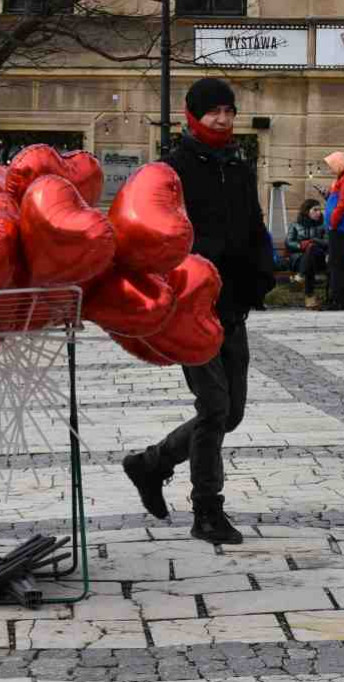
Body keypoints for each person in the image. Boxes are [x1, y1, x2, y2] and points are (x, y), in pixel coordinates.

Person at [122, 78, 275, 545]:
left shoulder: (240, 166)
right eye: (215, 112)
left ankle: (151, 464)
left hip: (233, 306)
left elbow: (253, 225)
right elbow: (157, 233)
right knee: (213, 407)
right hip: (191, 305)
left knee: (231, 414)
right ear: (193, 115)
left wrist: (260, 274)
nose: (224, 120)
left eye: (229, 112)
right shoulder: (172, 170)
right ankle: (208, 511)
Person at [285, 199, 327, 309]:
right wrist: (301, 245)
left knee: (312, 249)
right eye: (315, 210)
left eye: (320, 210)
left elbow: (327, 242)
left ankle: (300, 276)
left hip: (319, 258)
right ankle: (309, 299)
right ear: (307, 211)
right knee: (309, 261)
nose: (319, 212)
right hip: (298, 259)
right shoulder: (295, 225)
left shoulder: (323, 226)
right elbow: (289, 242)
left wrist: (313, 241)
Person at [324, 152, 344, 309]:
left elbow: (342, 204)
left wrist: (333, 221)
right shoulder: (339, 180)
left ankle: (337, 299)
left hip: (339, 228)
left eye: (331, 165)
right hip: (336, 228)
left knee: (336, 264)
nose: (330, 169)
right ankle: (336, 297)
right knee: (336, 263)